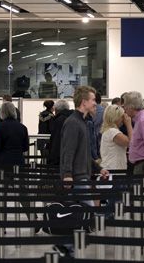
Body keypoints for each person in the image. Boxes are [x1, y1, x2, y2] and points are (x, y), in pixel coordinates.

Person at [57, 86, 109, 257]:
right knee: (87, 216)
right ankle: (65, 246)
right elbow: (67, 151)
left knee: (80, 216)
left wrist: (98, 168)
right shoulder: (73, 122)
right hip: (76, 180)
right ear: (84, 102)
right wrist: (67, 175)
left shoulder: (83, 122)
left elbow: (84, 155)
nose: (95, 103)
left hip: (82, 177)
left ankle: (66, 247)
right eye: (93, 100)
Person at [0, 102, 29, 166]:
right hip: (19, 159)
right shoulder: (22, 127)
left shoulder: (0, 127)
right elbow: (25, 147)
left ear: (2, 112)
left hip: (3, 159)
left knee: (3, 176)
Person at [100, 105, 131, 170]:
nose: (123, 119)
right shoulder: (112, 132)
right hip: (114, 169)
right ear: (116, 117)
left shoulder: (108, 131)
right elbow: (131, 142)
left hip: (112, 167)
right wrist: (128, 124)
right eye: (122, 117)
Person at [48, 100, 73, 166]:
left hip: (60, 158)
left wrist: (52, 160)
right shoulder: (73, 118)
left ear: (56, 110)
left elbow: (56, 140)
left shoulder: (59, 120)